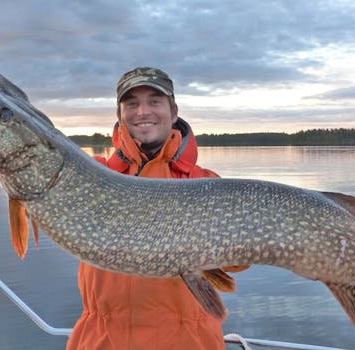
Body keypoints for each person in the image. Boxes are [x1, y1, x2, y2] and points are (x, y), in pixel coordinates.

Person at [66, 67, 249, 350]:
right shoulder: (92, 175)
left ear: (173, 112)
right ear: (120, 115)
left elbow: (238, 262)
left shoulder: (204, 183)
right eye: (132, 104)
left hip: (189, 342)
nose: (142, 112)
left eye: (154, 101)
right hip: (102, 341)